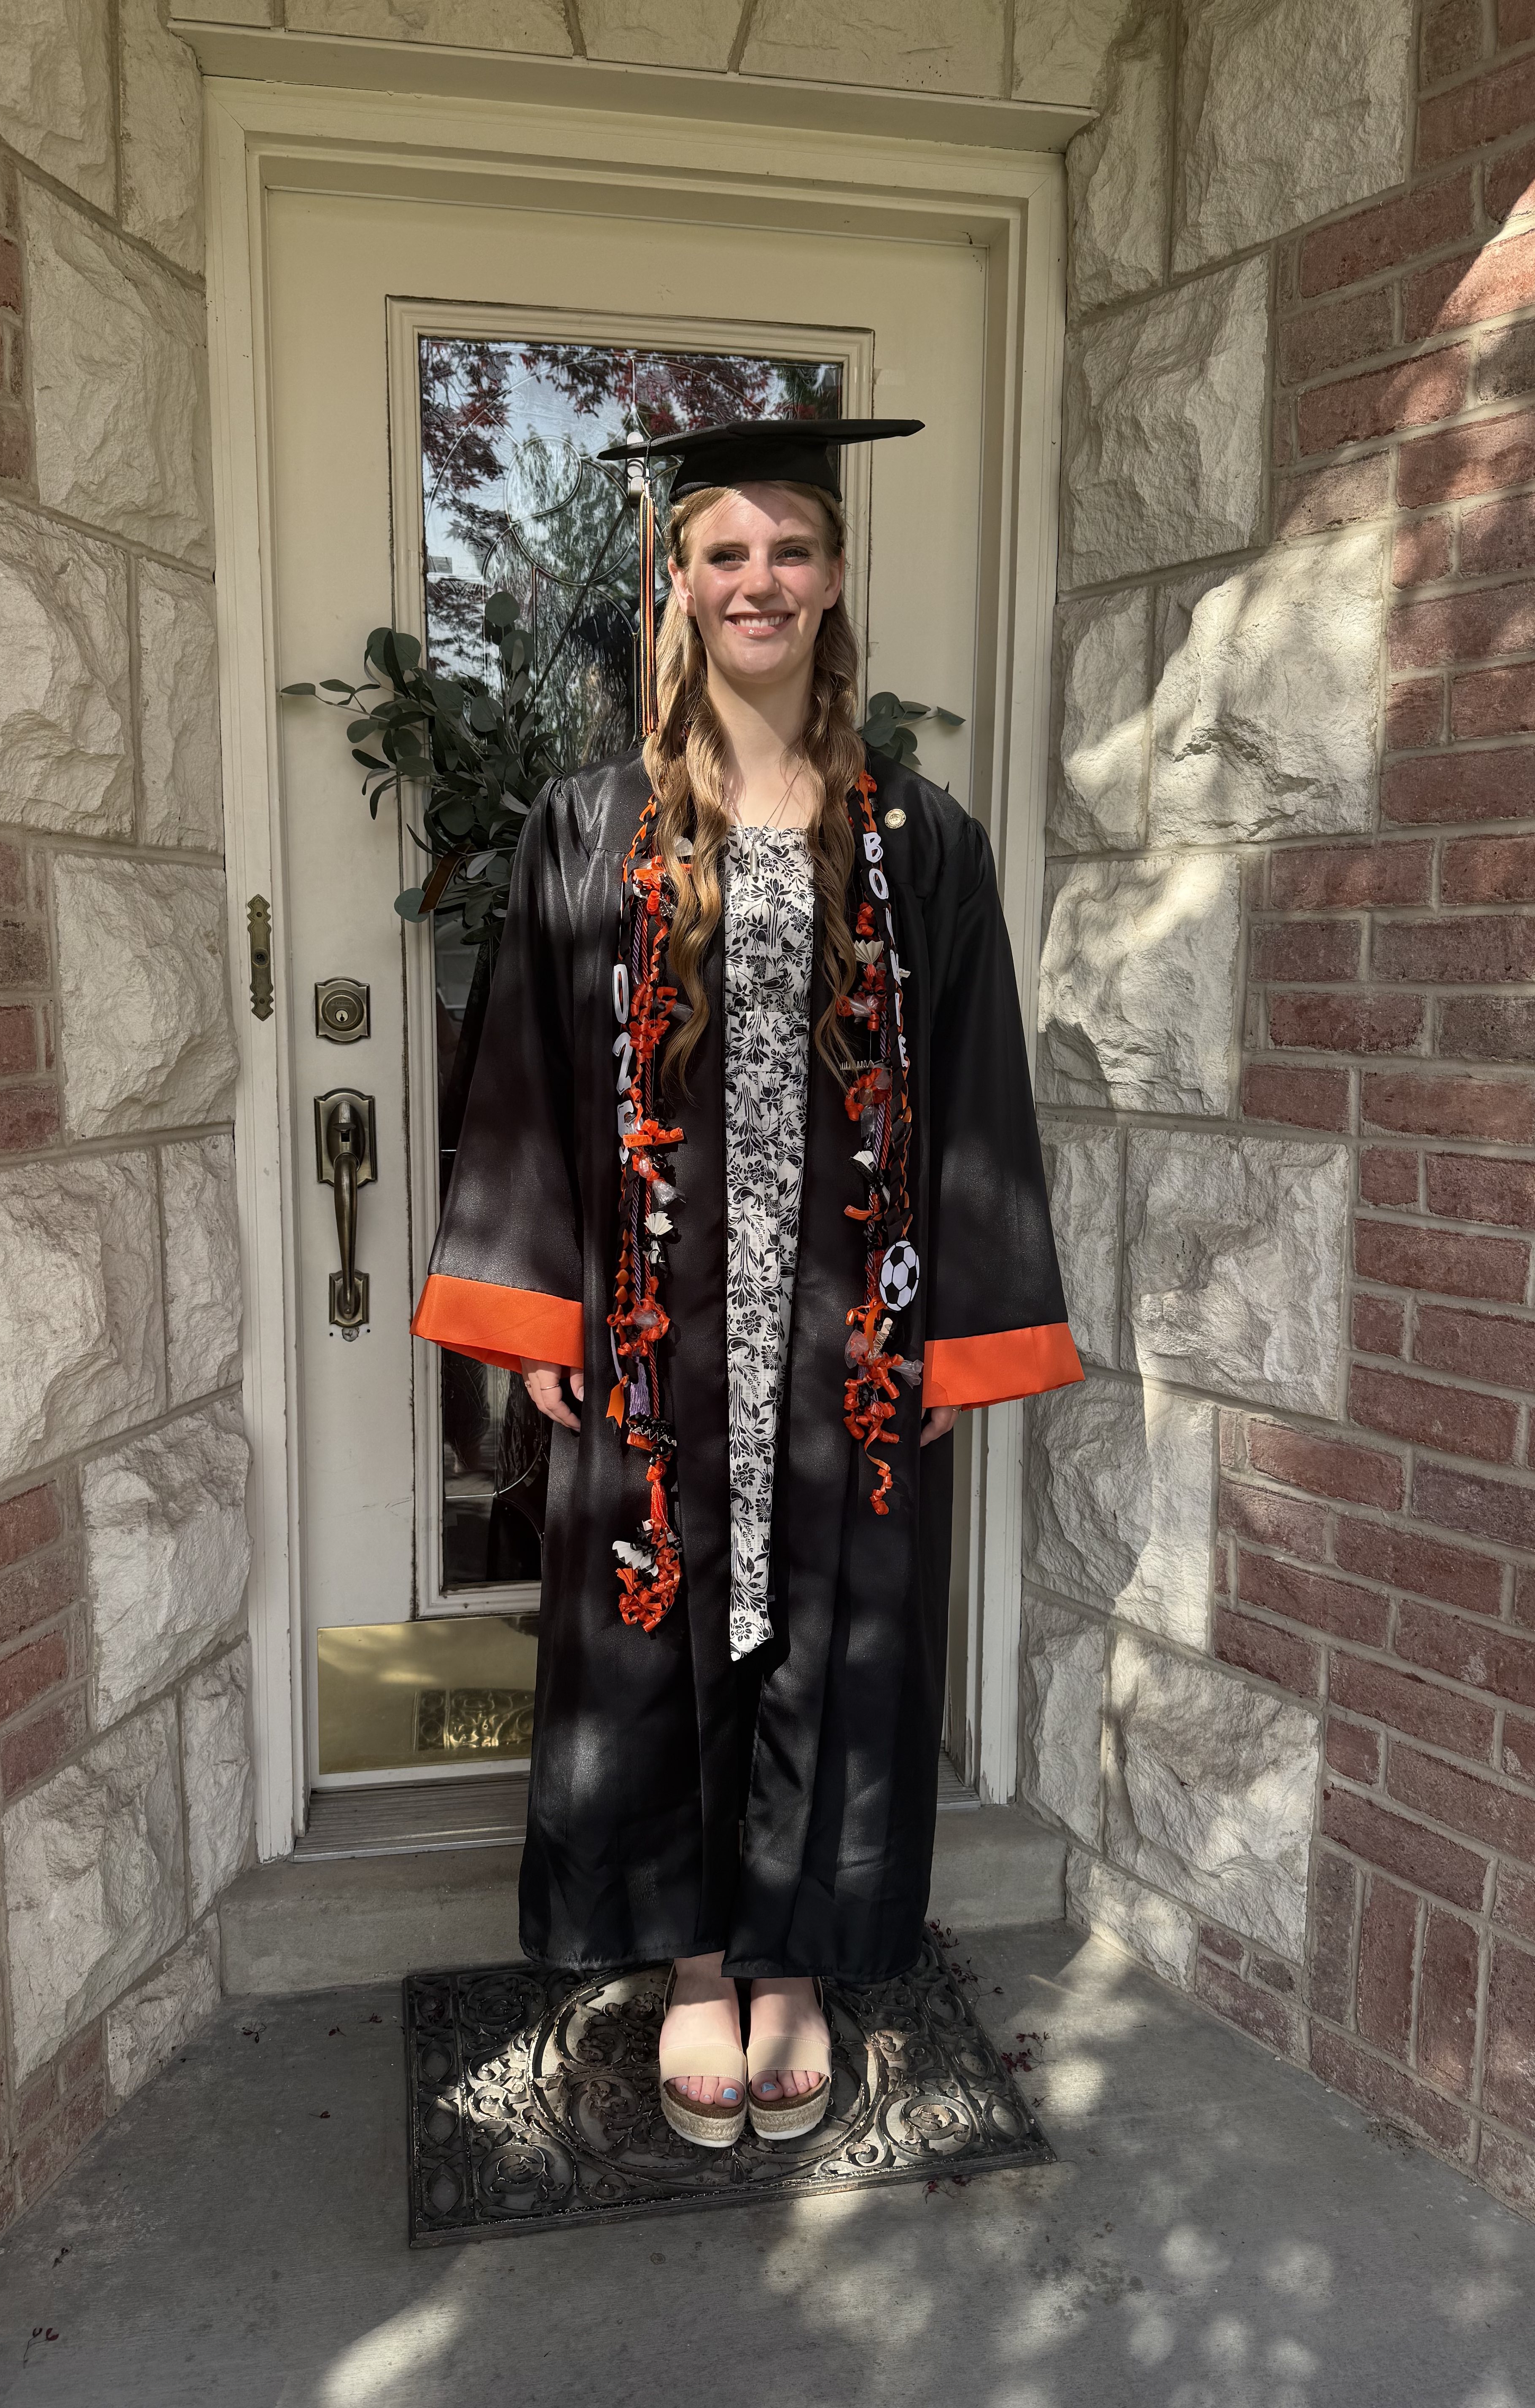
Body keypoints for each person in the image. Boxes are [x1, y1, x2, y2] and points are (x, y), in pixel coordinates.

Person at [413, 417, 1081, 2148]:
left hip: (843, 1333)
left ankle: (799, 1962)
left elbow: (981, 1090)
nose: (758, 580)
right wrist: (538, 1305)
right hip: (654, 1329)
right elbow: (527, 1087)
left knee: (831, 1644)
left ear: (836, 577)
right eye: (726, 553)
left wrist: (952, 1342)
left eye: (790, 549)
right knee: (661, 1637)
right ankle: (699, 1962)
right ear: (681, 585)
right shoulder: (587, 825)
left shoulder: (918, 838)